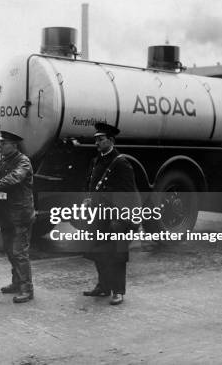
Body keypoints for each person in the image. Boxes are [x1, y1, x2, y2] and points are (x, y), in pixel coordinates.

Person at [82, 122, 140, 305]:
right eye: (95, 140)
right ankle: (103, 287)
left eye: (100, 139)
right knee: (98, 252)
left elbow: (128, 194)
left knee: (116, 255)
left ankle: (118, 291)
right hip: (98, 215)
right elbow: (90, 185)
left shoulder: (121, 163)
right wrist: (89, 199)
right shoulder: (96, 160)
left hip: (115, 217)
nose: (97, 143)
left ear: (111, 141)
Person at [0, 130, 35, 303]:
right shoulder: (5, 160)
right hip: (7, 214)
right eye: (0, 143)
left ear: (14, 145)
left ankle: (27, 289)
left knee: (19, 252)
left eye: (3, 143)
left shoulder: (23, 162)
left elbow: (14, 178)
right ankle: (16, 283)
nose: (0, 146)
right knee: (10, 251)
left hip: (20, 214)